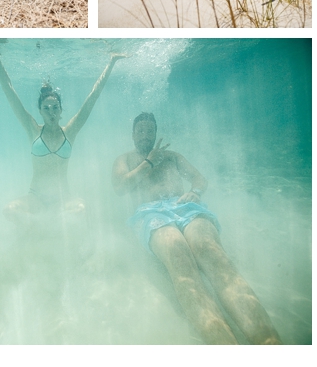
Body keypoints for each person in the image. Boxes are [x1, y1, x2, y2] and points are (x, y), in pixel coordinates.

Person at [112, 112, 280, 344]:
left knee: (212, 253)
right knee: (178, 256)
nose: (145, 135)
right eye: (140, 130)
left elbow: (199, 179)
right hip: (150, 213)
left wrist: (195, 192)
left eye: (150, 130)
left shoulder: (171, 156)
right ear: (132, 134)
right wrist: (149, 161)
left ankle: (270, 343)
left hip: (185, 206)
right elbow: (120, 187)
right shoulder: (125, 159)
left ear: (156, 133)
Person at [0, 43, 124, 217]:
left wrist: (111, 62)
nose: (51, 112)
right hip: (35, 196)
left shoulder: (69, 131)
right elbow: (8, 90)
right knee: (9, 211)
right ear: (40, 111)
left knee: (81, 210)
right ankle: (44, 225)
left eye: (55, 108)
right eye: (46, 108)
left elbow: (93, 96)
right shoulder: (33, 129)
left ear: (61, 110)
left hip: (63, 197)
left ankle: (47, 224)